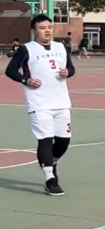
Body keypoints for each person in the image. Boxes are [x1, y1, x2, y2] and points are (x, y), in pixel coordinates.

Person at [4, 14, 75, 196]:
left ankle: (50, 162)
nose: (47, 31)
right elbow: (10, 71)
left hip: (61, 101)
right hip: (39, 102)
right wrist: (26, 80)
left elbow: (71, 69)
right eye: (42, 28)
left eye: (49, 27)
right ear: (34, 30)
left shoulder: (60, 47)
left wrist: (67, 72)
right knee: (45, 139)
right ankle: (50, 179)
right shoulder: (27, 49)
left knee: (63, 141)